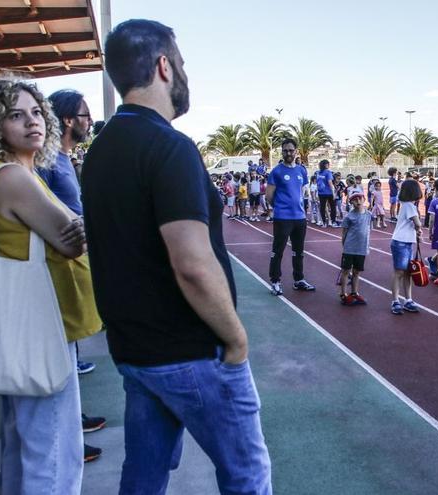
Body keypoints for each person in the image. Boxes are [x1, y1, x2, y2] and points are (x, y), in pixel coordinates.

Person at [81, 19, 271, 493]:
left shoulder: (100, 150)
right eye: (182, 63)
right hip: (189, 352)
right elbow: (191, 262)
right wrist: (236, 339)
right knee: (247, 475)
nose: (185, 74)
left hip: (134, 351)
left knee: (143, 477)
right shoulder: (170, 146)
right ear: (164, 67)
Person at [0, 77, 101, 494]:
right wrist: (89, 226)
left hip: (21, 323)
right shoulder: (15, 178)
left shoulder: (1, 175)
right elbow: (70, 240)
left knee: (24, 444)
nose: (32, 121)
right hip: (40, 325)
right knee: (53, 451)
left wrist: (79, 229)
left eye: (36, 112)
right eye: (15, 115)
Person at [36, 88, 106, 462]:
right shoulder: (47, 162)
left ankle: (73, 423)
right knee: (60, 359)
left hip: (73, 265)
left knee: (69, 355)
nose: (89, 121)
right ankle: (65, 439)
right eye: (84, 114)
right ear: (67, 120)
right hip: (57, 272)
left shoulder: (65, 159)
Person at [266, 137, 316, 295]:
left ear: (296, 152)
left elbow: (301, 191)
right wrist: (280, 207)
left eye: (291, 150)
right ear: (282, 152)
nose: (288, 153)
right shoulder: (277, 171)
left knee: (299, 251)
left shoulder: (301, 170)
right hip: (283, 218)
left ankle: (299, 279)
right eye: (285, 150)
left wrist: (298, 206)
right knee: (278, 251)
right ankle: (275, 281)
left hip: (299, 218)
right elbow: (269, 196)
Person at [390, 179, 423, 314]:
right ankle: (396, 300)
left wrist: (417, 230)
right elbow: (418, 223)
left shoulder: (406, 205)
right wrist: (418, 228)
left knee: (407, 272)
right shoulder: (409, 206)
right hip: (401, 242)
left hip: (405, 241)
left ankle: (407, 299)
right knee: (400, 272)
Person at [339, 191, 372, 305]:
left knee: (357, 272)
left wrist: (367, 246)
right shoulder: (349, 216)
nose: (358, 201)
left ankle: (354, 293)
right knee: (346, 271)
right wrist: (344, 247)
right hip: (349, 249)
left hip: (361, 249)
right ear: (351, 202)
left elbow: (367, 231)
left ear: (364, 199)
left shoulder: (368, 215)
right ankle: (343, 294)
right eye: (355, 199)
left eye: (360, 198)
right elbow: (344, 233)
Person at [317, 159, 337, 227]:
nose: (329, 165)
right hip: (329, 192)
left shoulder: (318, 172)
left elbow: (318, 183)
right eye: (328, 164)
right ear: (325, 165)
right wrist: (334, 192)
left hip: (321, 192)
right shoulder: (328, 172)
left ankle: (324, 222)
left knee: (322, 208)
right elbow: (330, 183)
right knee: (332, 207)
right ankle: (333, 221)